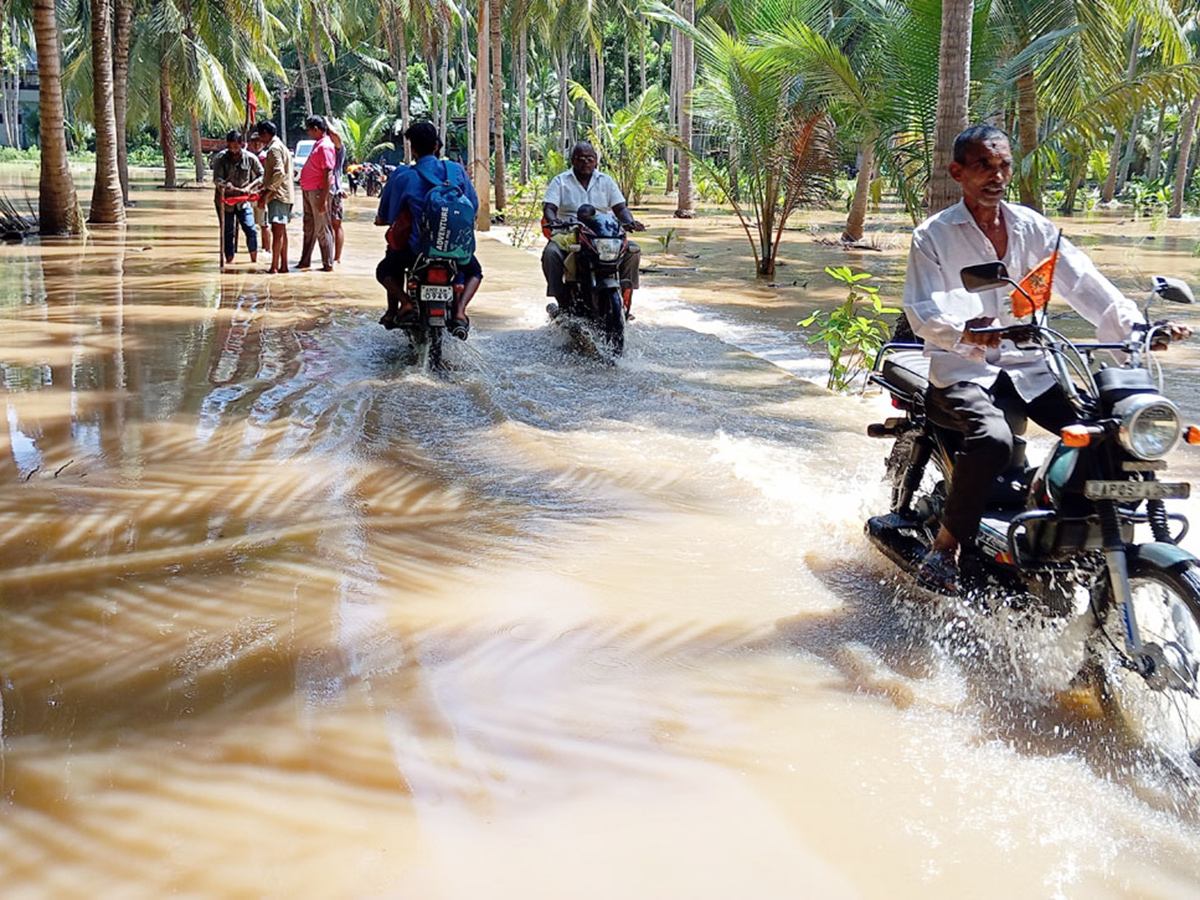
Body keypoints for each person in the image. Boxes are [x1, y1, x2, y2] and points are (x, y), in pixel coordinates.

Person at [902, 124, 1188, 594]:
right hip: (963, 370)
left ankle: (1068, 528)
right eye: (983, 167)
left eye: (1004, 165)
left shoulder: (1035, 229)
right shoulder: (933, 236)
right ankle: (946, 548)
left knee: (1106, 433)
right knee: (993, 441)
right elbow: (924, 311)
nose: (997, 176)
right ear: (958, 172)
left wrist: (1142, 330)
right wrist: (982, 333)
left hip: (1032, 367)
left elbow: (1087, 286)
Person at [375, 121, 482, 338]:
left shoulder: (403, 175)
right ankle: (460, 311)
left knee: (385, 269)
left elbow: (386, 215)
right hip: (455, 252)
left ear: (412, 148)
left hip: (416, 253)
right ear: (436, 145)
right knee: (475, 271)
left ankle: (402, 305)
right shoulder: (456, 171)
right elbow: (474, 208)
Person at [542, 141, 644, 316]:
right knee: (551, 254)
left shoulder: (606, 181)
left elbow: (620, 208)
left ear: (596, 161)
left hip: (603, 234)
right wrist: (554, 220)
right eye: (581, 158)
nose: (585, 162)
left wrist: (630, 222)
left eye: (590, 158)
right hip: (569, 232)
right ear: (573, 160)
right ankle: (562, 300)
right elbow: (549, 208)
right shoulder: (561, 181)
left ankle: (625, 299)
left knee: (633, 251)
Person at [212, 129, 263, 265]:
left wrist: (250, 187)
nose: (233, 150)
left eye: (236, 147)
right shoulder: (220, 159)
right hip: (225, 200)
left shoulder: (250, 158)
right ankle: (229, 261)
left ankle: (254, 261)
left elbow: (262, 175)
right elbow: (217, 179)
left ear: (241, 144)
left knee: (250, 228)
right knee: (227, 232)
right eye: (230, 147)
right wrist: (224, 186)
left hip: (243, 200)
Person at [297, 114, 336, 272]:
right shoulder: (318, 144)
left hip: (318, 191)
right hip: (309, 190)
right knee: (309, 227)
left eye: (309, 130)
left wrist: (323, 199)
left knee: (322, 228)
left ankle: (327, 264)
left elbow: (328, 173)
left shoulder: (325, 146)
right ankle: (305, 261)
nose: (308, 133)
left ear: (316, 129)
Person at [255, 119, 293, 274]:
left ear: (265, 134)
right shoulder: (281, 147)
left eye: (260, 136)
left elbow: (279, 173)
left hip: (278, 196)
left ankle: (274, 267)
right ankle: (283, 266)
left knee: (277, 231)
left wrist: (266, 193)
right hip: (286, 194)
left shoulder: (273, 149)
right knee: (282, 231)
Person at [247, 130, 271, 255]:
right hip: (248, 195)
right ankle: (253, 249)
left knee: (264, 224)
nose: (256, 144)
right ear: (249, 143)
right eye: (254, 142)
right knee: (249, 224)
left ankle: (267, 249)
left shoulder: (266, 158)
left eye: (259, 142)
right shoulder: (246, 157)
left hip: (261, 195)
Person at [327, 121, 347, 265]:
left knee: (336, 224)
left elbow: (336, 135)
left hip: (335, 191)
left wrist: (325, 122)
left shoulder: (338, 150)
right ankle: (328, 256)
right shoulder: (322, 147)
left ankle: (337, 257)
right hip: (321, 192)